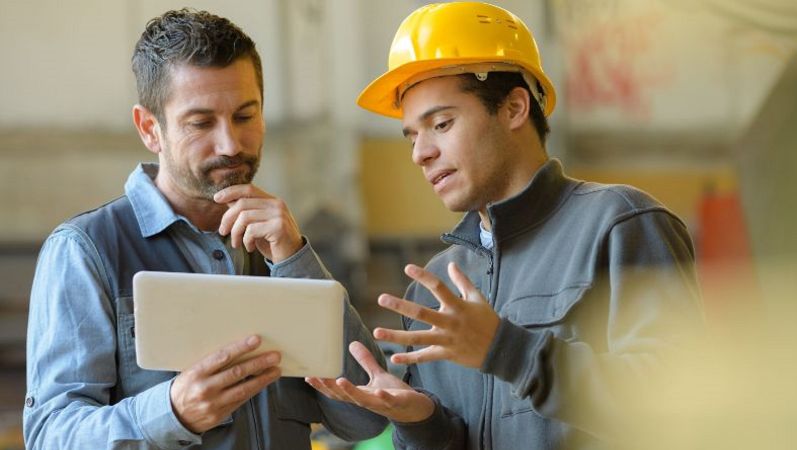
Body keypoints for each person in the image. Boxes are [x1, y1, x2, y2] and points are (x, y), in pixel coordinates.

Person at [306, 2, 704, 449]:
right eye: (412, 137)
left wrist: (506, 349)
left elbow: (678, 411)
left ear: (514, 108)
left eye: (441, 123)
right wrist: (420, 422)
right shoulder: (434, 285)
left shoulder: (618, 226)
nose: (421, 153)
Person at [23, 8, 387, 450]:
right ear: (149, 129)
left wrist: (295, 261)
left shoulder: (281, 248)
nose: (231, 144)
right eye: (200, 123)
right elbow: (50, 437)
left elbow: (366, 419)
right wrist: (172, 412)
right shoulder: (87, 251)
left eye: (245, 116)